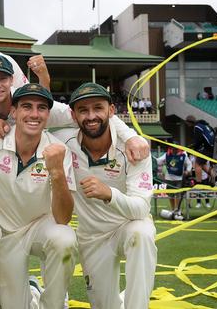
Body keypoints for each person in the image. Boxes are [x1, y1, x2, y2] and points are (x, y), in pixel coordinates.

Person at [0, 83, 78, 309]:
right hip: (2, 232)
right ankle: (28, 290)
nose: (34, 114)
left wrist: (57, 172)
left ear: (48, 115)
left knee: (64, 238)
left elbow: (63, 218)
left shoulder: (59, 150)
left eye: (41, 108)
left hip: (36, 228)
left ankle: (54, 304)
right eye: (26, 107)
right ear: (13, 112)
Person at [55, 83, 156, 309]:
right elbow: (33, 118)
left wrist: (109, 194)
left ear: (111, 111)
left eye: (98, 108)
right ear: (73, 115)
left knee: (142, 232)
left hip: (126, 227)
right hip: (92, 238)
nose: (91, 116)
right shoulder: (63, 142)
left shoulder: (134, 148)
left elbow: (141, 209)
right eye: (83, 110)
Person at [156, 142, 192, 219]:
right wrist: (160, 170)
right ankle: (173, 210)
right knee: (171, 195)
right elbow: (159, 161)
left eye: (176, 148)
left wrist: (187, 171)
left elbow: (189, 164)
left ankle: (177, 210)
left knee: (178, 194)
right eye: (173, 148)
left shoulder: (183, 155)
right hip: (169, 178)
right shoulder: (167, 155)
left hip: (179, 178)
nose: (174, 150)